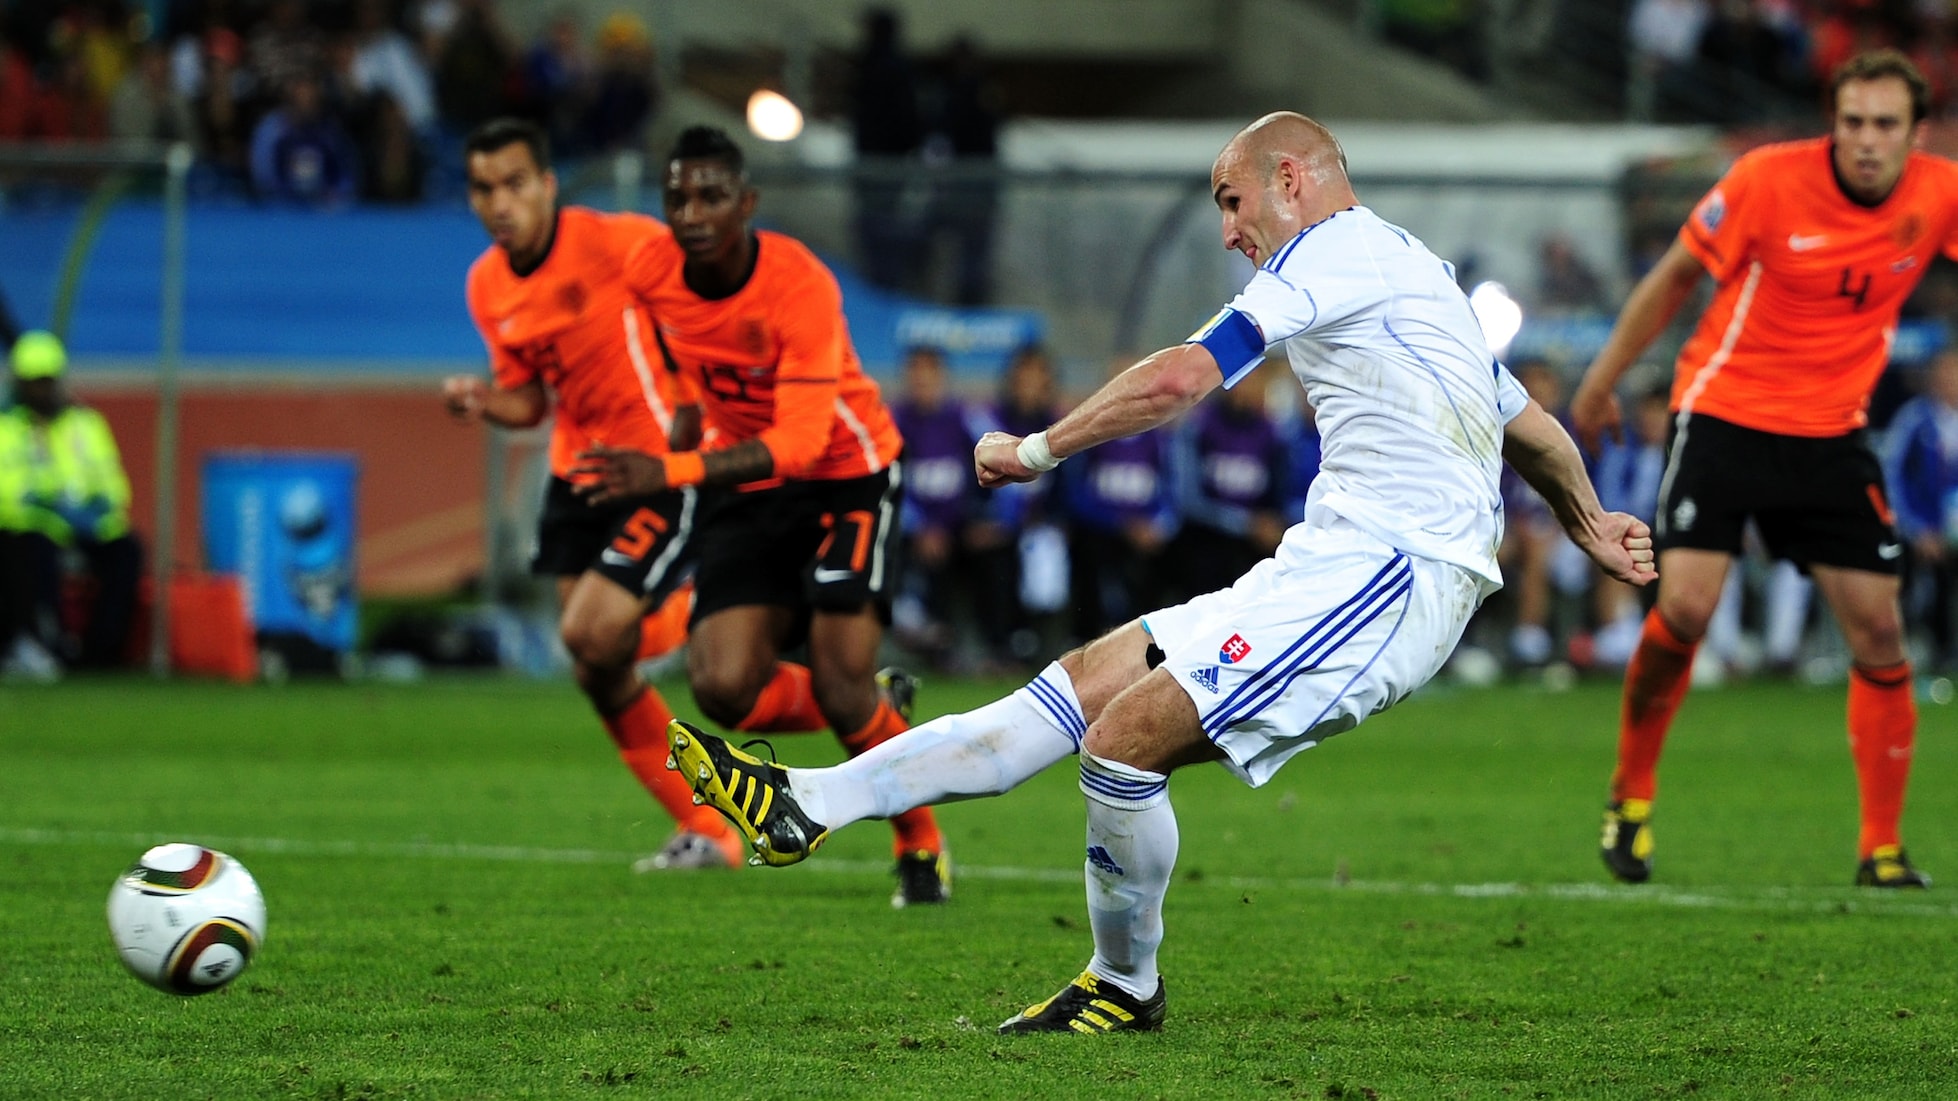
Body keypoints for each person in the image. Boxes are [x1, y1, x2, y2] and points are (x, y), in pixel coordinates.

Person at [658, 111, 1654, 1032]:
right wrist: (1590, 521)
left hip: (1390, 575)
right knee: (1082, 683)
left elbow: (1181, 377)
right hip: (1331, 564)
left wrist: (1037, 449)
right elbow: (1525, 423)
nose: (1227, 231)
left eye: (1232, 201)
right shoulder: (1410, 266)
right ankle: (807, 802)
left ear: (1291, 179)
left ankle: (1124, 983)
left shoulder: (1327, 255)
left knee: (1121, 743)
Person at [1569, 49, 1958, 890]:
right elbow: (1676, 275)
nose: (1866, 140)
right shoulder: (1767, 180)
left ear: (1916, 134)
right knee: (1686, 607)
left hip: (1833, 435)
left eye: (1885, 124)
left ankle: (1882, 848)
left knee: (1880, 632)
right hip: (1725, 414)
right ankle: (1631, 791)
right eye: (1852, 122)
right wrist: (1602, 379)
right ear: (1833, 123)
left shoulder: (1939, 192)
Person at [576, 125, 951, 907]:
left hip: (846, 475)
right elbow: (652, 334)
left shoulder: (798, 284)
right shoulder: (651, 270)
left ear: (746, 203)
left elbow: (800, 441)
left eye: (710, 196)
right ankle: (874, 703)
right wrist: (682, 401)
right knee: (722, 687)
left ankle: (920, 842)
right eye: (677, 197)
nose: (691, 213)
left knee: (842, 686)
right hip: (750, 488)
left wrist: (669, 467)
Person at [446, 117, 742, 872]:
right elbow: (528, 400)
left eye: (514, 183)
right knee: (594, 662)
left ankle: (709, 608)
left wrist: (702, 405)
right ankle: (709, 830)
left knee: (594, 633)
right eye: (483, 188)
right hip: (577, 474)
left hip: (651, 464)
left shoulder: (619, 242)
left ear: (547, 185)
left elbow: (710, 300)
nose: (499, 202)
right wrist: (483, 400)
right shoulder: (486, 283)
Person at [0, 330, 143, 674]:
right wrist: (47, 507)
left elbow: (114, 484)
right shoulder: (6, 428)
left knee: (127, 551)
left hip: (86, 524)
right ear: (20, 383)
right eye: (35, 382)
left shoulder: (85, 424)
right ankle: (50, 642)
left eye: (48, 381)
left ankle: (100, 651)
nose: (43, 390)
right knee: (32, 552)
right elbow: (7, 492)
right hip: (32, 525)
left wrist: (96, 509)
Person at [1882, 349, 1958, 672]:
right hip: (1917, 529)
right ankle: (1901, 650)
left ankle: (1947, 651)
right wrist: (1918, 530)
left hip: (1952, 527)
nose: (1951, 381)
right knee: (1904, 583)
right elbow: (1892, 477)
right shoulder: (1914, 419)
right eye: (1945, 373)